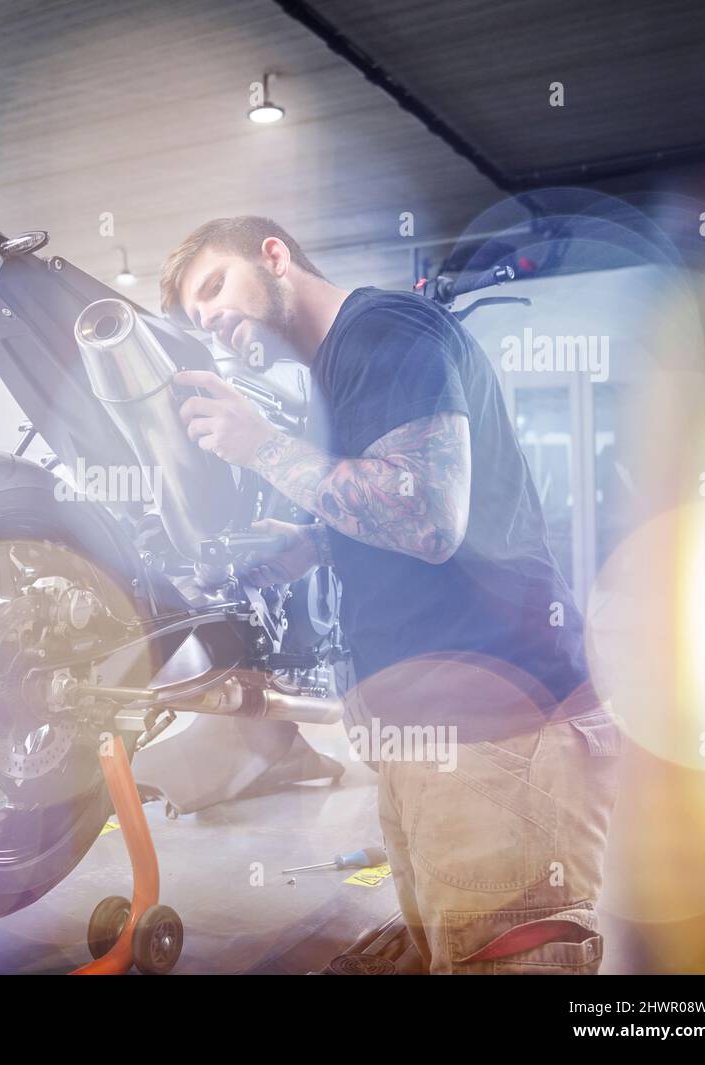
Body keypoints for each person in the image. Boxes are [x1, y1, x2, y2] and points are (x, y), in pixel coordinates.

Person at [159, 216, 621, 974]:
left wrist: (259, 446)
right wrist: (302, 545)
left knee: (501, 954)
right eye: (200, 319)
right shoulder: (335, 371)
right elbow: (385, 519)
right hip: (431, 738)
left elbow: (428, 515)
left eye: (216, 288)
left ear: (275, 255)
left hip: (498, 733)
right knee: (448, 944)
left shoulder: (384, 330)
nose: (215, 320)